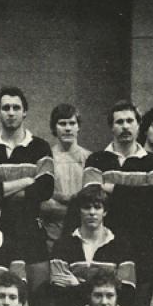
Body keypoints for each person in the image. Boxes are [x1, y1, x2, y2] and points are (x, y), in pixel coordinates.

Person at [83, 100, 153, 306]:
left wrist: (113, 188)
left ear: (138, 125)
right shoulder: (96, 159)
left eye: (130, 121)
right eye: (119, 122)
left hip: (144, 247)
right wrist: (140, 192)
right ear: (111, 127)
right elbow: (92, 196)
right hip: (109, 244)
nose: (125, 126)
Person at [0, 86, 54, 306]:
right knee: (2, 302)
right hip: (1, 234)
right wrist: (26, 181)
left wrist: (4, 189)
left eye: (16, 107)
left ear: (25, 112)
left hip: (32, 232)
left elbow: (45, 189)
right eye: (6, 108)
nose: (11, 113)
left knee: (42, 303)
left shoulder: (40, 147)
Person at [50, 186, 135, 306]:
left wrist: (78, 285)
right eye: (86, 207)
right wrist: (107, 286)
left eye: (97, 207)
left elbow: (127, 293)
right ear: (79, 211)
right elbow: (59, 292)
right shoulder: (62, 245)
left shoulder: (121, 246)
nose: (92, 212)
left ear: (105, 211)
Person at [40, 103, 92, 247]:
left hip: (84, 233)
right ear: (54, 128)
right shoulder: (46, 159)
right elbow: (43, 201)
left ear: (78, 126)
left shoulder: (89, 158)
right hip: (53, 234)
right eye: (62, 123)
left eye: (72, 123)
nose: (68, 128)